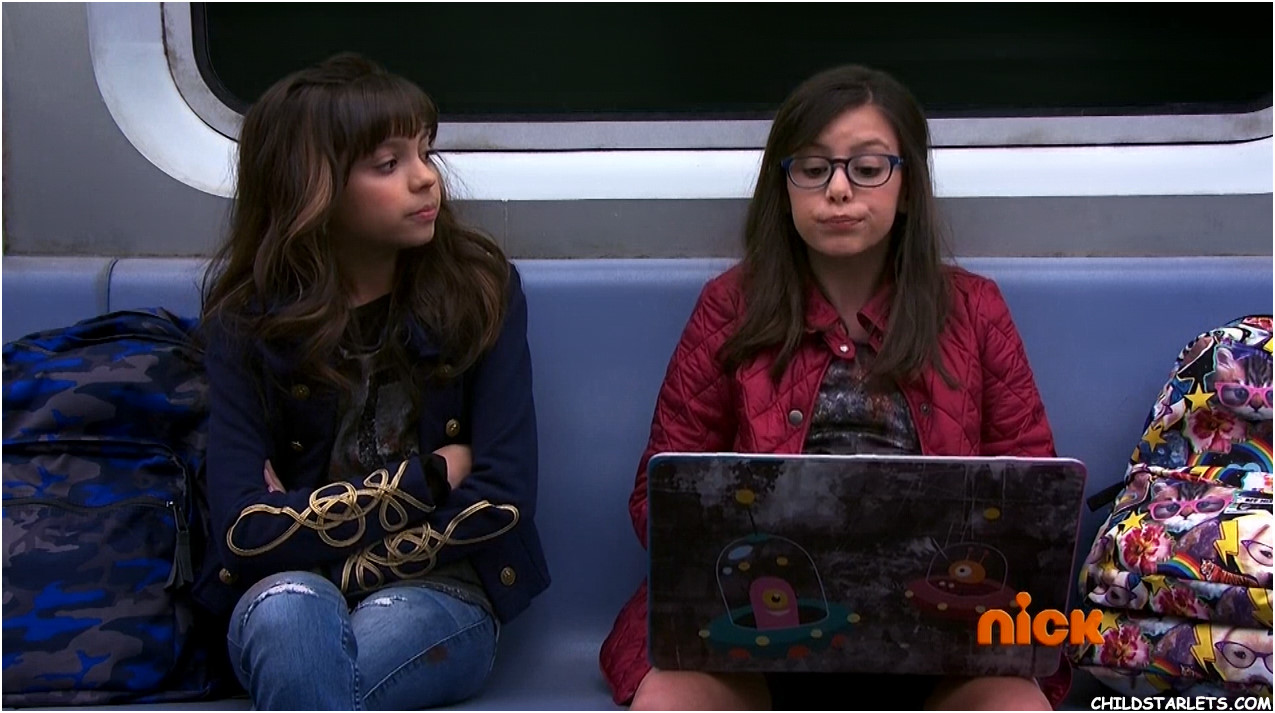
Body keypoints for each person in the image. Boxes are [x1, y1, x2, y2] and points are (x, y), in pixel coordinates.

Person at [598, 64, 1069, 710]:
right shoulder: (728, 307)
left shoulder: (974, 309)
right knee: (670, 700)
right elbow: (657, 497)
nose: (839, 190)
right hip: (756, 623)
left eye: (867, 168)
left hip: (941, 631)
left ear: (906, 187)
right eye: (814, 169)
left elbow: (1032, 495)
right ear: (784, 187)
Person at [195, 53, 548, 710]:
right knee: (292, 619)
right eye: (388, 164)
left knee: (324, 662)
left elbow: (500, 500)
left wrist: (307, 531)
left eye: (425, 152)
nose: (425, 178)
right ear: (311, 190)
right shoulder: (246, 322)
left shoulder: (481, 292)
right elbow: (243, 530)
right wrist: (428, 479)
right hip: (286, 593)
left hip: (441, 592)